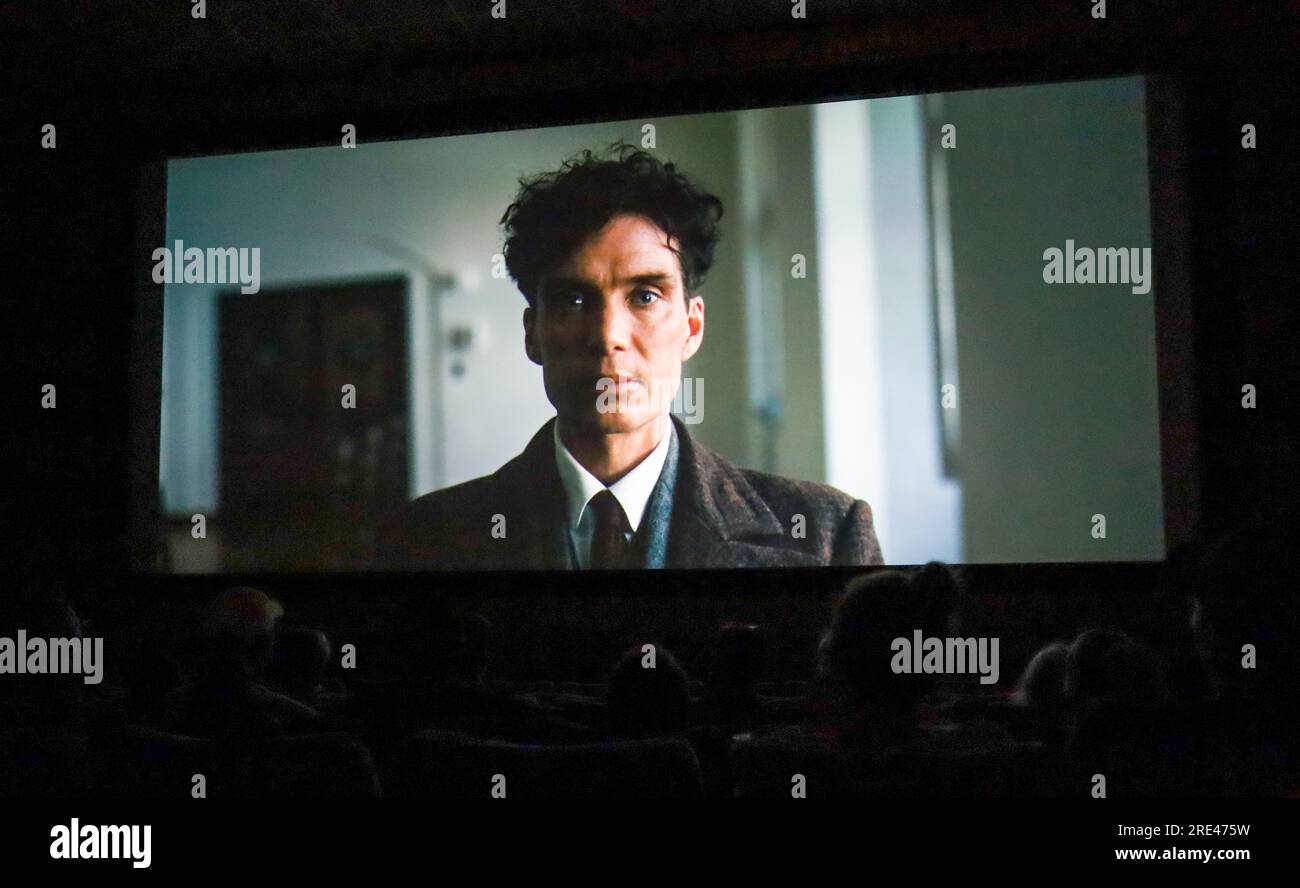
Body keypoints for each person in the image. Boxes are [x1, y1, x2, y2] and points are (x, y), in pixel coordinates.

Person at [381, 143, 883, 570]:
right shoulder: (426, 539)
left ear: (691, 326)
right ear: (533, 334)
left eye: (645, 296)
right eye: (574, 300)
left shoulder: (827, 535)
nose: (608, 336)